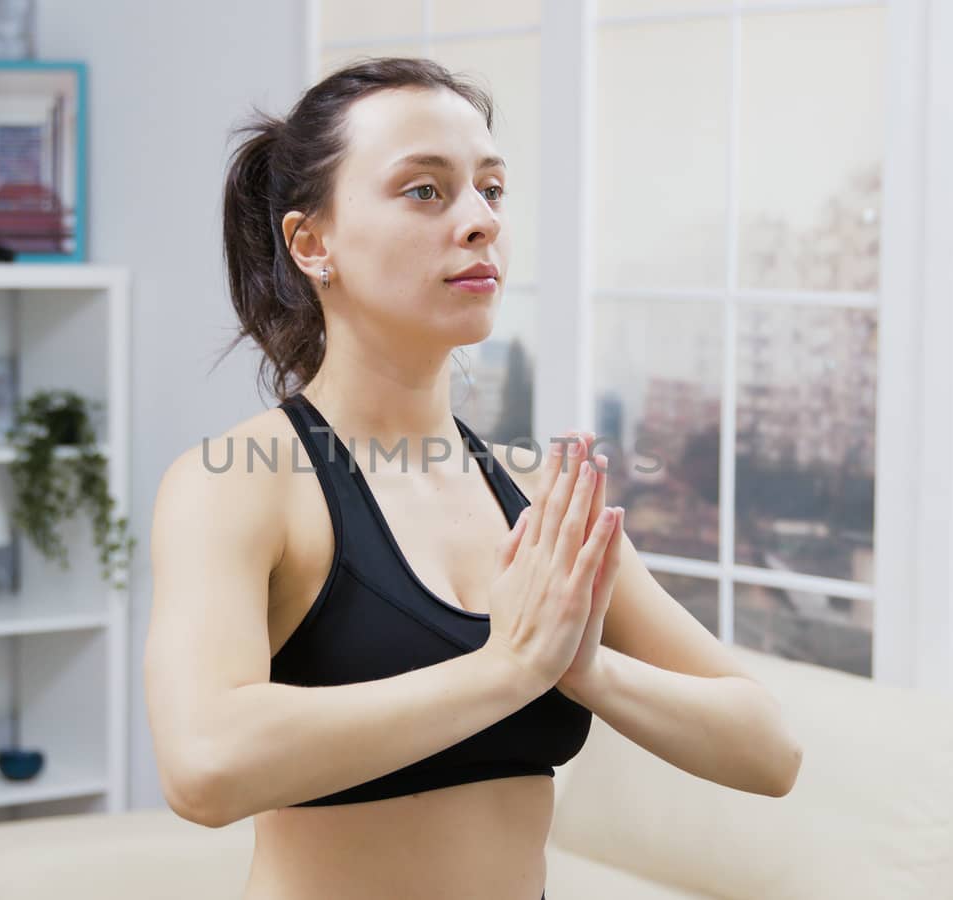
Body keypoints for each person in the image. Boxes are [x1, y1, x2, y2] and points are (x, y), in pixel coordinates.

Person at [145, 56, 803, 900]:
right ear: (313, 244)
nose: (479, 221)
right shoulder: (240, 483)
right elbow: (204, 765)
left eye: (490, 190)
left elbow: (768, 749)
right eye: (425, 190)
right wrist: (508, 669)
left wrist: (584, 668)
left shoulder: (537, 496)